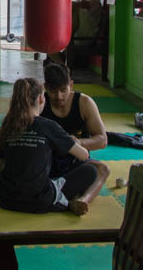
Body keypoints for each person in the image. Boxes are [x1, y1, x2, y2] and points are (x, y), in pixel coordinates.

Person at [0, 78, 98, 216]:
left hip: (7, 198)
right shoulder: (49, 126)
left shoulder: (7, 126)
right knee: (91, 170)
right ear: (40, 99)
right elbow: (84, 155)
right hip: (41, 200)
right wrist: (71, 141)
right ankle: (69, 203)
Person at [40, 63, 109, 195]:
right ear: (46, 88)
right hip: (47, 162)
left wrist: (78, 143)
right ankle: (58, 194)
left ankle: (82, 201)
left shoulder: (84, 103)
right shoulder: (40, 103)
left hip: (75, 162)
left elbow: (102, 140)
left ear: (71, 85)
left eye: (63, 90)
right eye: (53, 91)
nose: (59, 96)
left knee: (103, 169)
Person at [49, 0, 103, 66]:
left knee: (74, 7)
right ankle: (62, 64)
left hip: (85, 39)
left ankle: (63, 65)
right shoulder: (82, 5)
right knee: (50, 46)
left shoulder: (94, 2)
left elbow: (79, 5)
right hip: (76, 37)